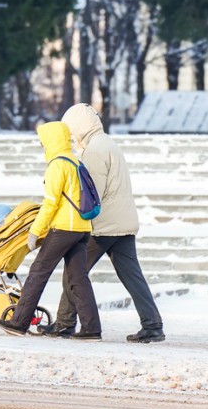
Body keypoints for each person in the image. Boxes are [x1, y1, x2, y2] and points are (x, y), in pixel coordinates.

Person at [40, 103, 165, 343]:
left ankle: (65, 323)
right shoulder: (108, 143)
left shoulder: (95, 150)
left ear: (78, 126)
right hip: (123, 221)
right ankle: (153, 324)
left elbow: (91, 193)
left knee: (74, 272)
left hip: (103, 225)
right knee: (132, 275)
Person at [0, 121, 102, 341]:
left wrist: (35, 232)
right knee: (78, 278)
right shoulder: (75, 161)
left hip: (63, 228)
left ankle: (19, 322)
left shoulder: (57, 165)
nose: (42, 145)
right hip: (83, 228)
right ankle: (91, 329)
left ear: (50, 141)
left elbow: (50, 203)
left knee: (38, 272)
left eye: (43, 141)